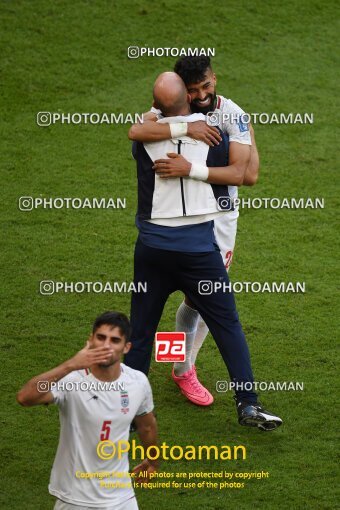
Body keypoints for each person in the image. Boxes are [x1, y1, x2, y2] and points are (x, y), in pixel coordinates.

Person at [125, 71, 282, 431]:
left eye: (205, 87)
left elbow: (137, 130)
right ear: (187, 95)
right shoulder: (212, 136)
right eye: (193, 90)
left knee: (147, 327)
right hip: (199, 244)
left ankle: (142, 399)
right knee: (225, 321)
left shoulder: (150, 131)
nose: (201, 94)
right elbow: (246, 173)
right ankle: (237, 398)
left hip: (156, 246)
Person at [17, 311, 158, 510]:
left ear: (126, 347)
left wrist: (152, 461)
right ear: (90, 340)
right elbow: (25, 397)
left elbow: (147, 426)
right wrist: (69, 365)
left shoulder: (137, 382)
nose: (106, 345)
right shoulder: (72, 381)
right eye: (101, 337)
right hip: (74, 499)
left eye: (115, 340)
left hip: (122, 497)